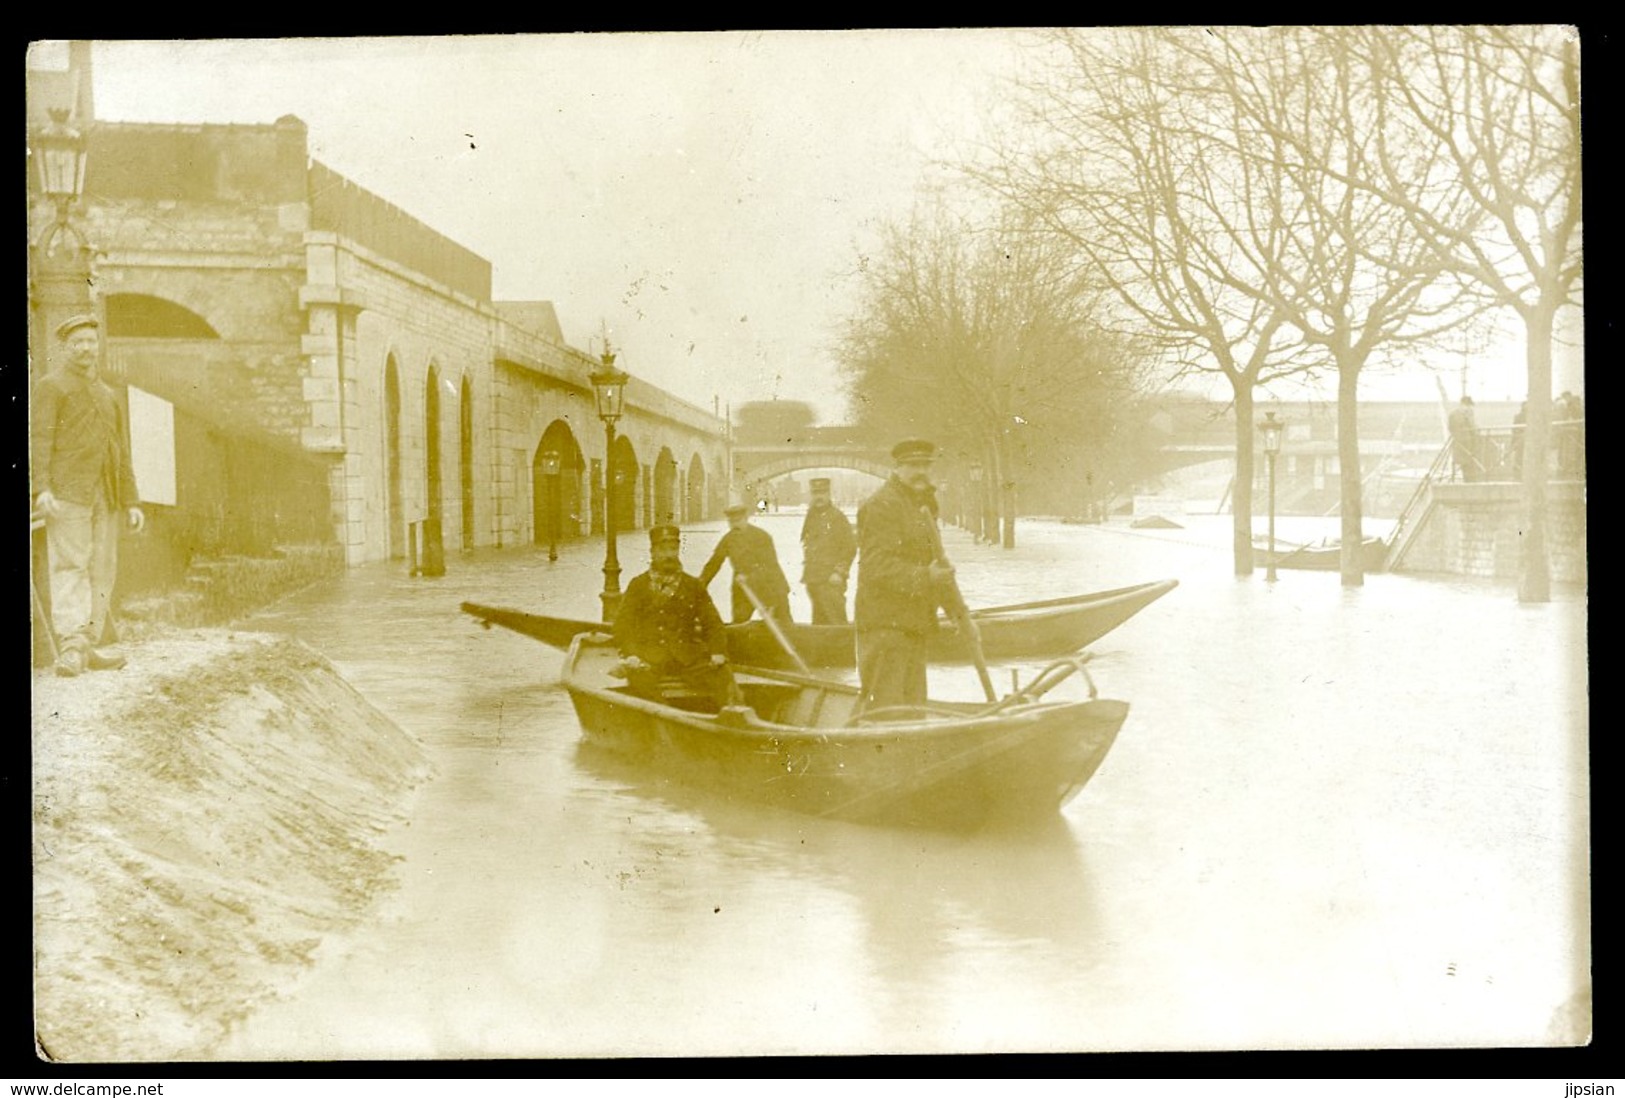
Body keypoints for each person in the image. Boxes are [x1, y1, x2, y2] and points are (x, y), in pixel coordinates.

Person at [30, 315, 146, 678]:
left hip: (105, 495)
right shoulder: (52, 387)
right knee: (70, 566)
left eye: (90, 342)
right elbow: (39, 440)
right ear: (65, 347)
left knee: (102, 569)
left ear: (98, 346)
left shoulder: (107, 395)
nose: (84, 348)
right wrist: (42, 488)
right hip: (68, 494)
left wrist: (131, 501)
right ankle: (71, 647)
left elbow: (121, 450)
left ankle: (90, 645)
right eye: (77, 342)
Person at [852, 438, 958, 716]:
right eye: (913, 465)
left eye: (925, 465)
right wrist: (926, 576)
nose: (921, 471)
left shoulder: (921, 505)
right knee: (886, 713)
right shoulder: (882, 505)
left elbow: (938, 566)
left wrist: (959, 613)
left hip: (914, 624)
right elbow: (875, 566)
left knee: (913, 710)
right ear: (897, 468)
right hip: (885, 627)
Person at [613, 524, 739, 710]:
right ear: (653, 552)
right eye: (663, 549)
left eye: (673, 549)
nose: (669, 555)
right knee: (639, 681)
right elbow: (623, 626)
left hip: (687, 656)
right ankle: (667, 719)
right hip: (648, 657)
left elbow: (713, 623)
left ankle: (733, 716)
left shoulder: (693, 585)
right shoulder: (638, 585)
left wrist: (717, 651)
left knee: (722, 674)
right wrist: (631, 654)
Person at [698, 503, 792, 624]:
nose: (735, 525)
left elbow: (769, 566)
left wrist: (749, 577)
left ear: (746, 519)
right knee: (739, 625)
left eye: (738, 521)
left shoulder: (761, 536)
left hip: (770, 587)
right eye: (731, 522)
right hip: (743, 589)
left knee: (783, 626)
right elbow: (714, 562)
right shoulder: (729, 539)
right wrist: (700, 583)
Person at [799, 477, 856, 625]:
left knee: (836, 623)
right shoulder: (811, 516)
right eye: (815, 493)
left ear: (829, 494)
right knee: (819, 624)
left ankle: (842, 649)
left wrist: (839, 572)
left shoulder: (837, 517)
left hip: (831, 581)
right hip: (814, 579)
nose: (819, 497)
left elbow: (850, 547)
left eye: (822, 492)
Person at [1447, 395, 1480, 482]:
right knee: (1468, 465)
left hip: (1462, 444)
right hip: (1465, 444)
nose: (1469, 408)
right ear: (1464, 404)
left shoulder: (1454, 414)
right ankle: (1469, 482)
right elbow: (1472, 428)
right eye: (1468, 406)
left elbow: (1450, 428)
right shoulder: (1463, 414)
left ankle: (1468, 482)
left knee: (1466, 465)